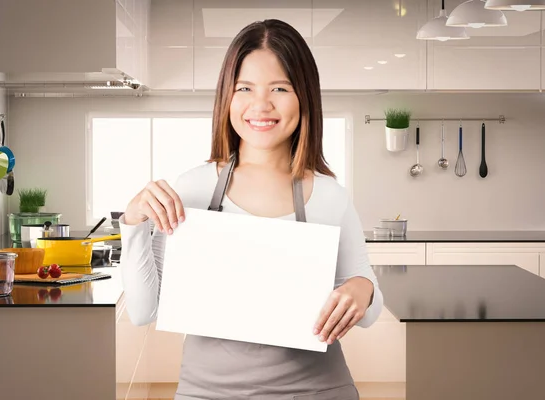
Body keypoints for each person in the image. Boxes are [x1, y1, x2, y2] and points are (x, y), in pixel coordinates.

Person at [119, 19, 383, 400]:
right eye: (245, 88)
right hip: (207, 394)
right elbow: (143, 311)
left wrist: (362, 289)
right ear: (227, 96)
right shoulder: (193, 188)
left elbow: (371, 312)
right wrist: (132, 222)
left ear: (304, 96)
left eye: (280, 88)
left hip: (318, 392)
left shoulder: (329, 196)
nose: (261, 105)